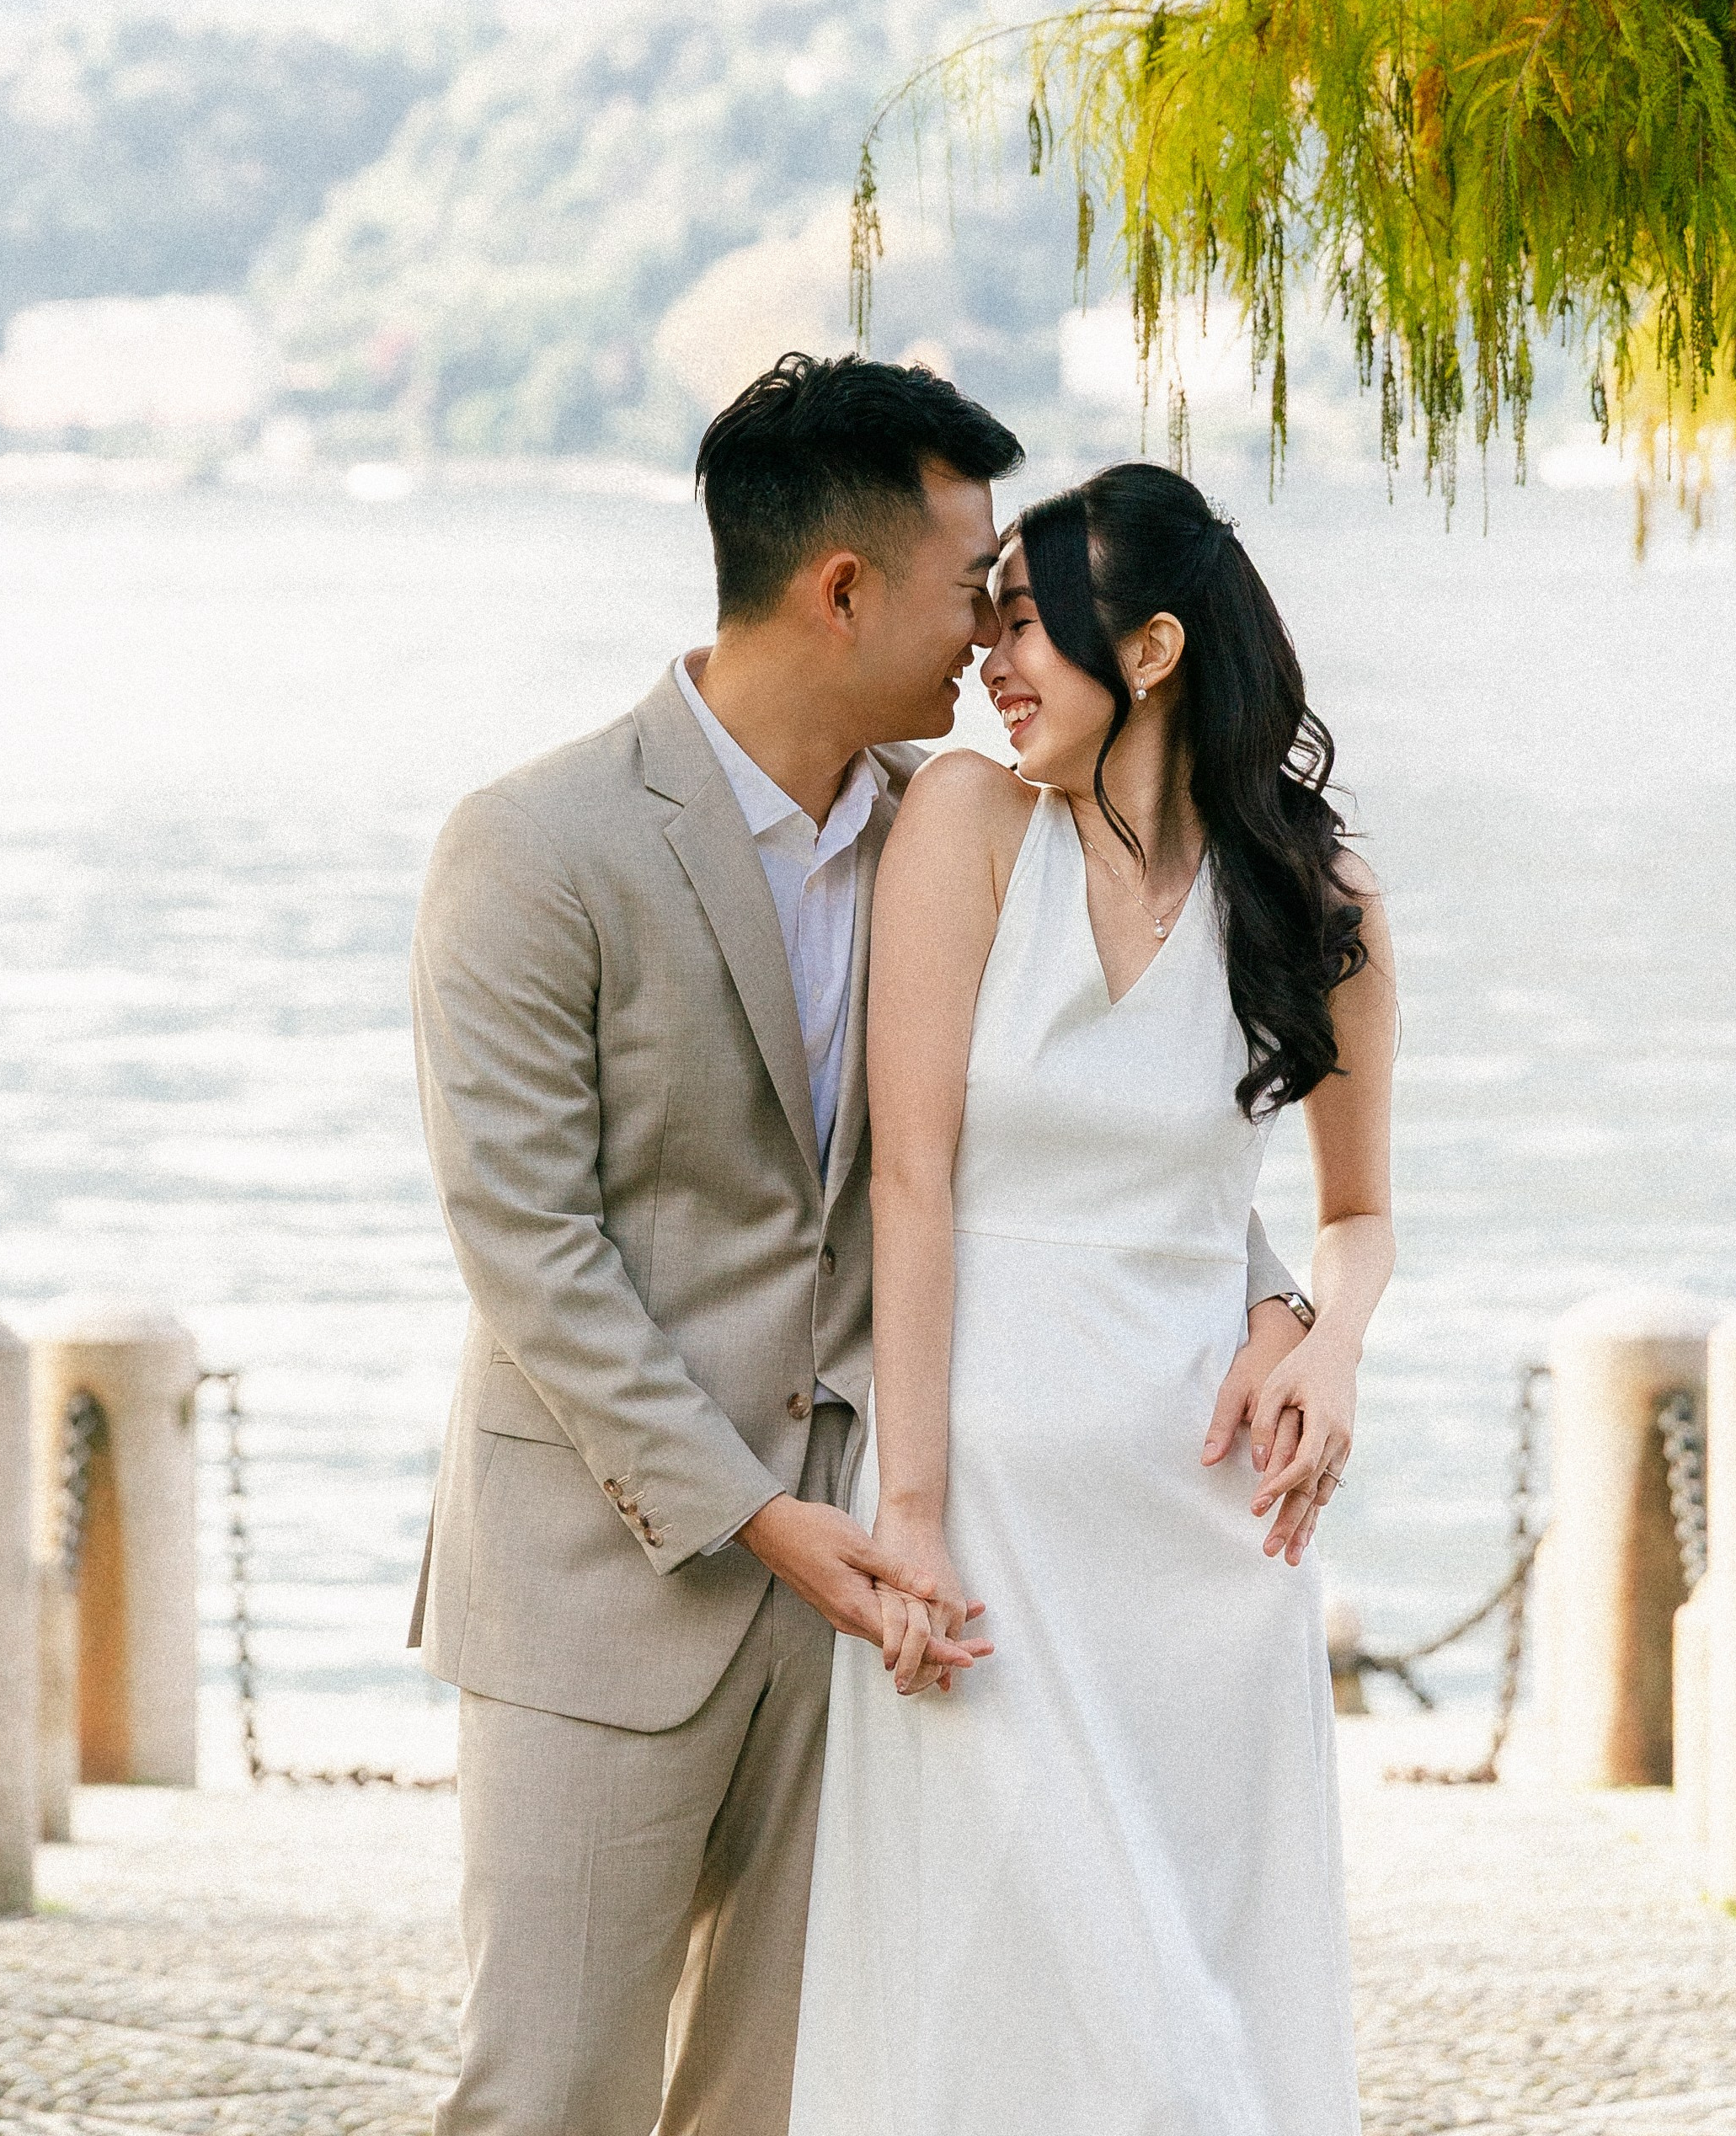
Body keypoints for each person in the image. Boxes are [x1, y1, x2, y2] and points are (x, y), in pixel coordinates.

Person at [407, 361, 1323, 2136]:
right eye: (972, 575)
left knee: (790, 2101)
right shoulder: (534, 847)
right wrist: (762, 1521)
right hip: (618, 1580)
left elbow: (1103, 1128)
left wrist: (1275, 1300)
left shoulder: (970, 828)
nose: (997, 623)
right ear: (843, 589)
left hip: (887, 1593)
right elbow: (528, 1248)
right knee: (550, 2095)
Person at [788, 462, 1397, 2136]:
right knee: (980, 1996)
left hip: (1197, 1537)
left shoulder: (1313, 903)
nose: (987, 669)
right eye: (978, 631)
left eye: (1020, 633)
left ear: (1145, 651)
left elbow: (1352, 1216)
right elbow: (906, 1183)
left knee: (1190, 2016)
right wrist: (905, 1512)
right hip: (977, 1526)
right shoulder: (972, 829)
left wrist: (1327, 1344)